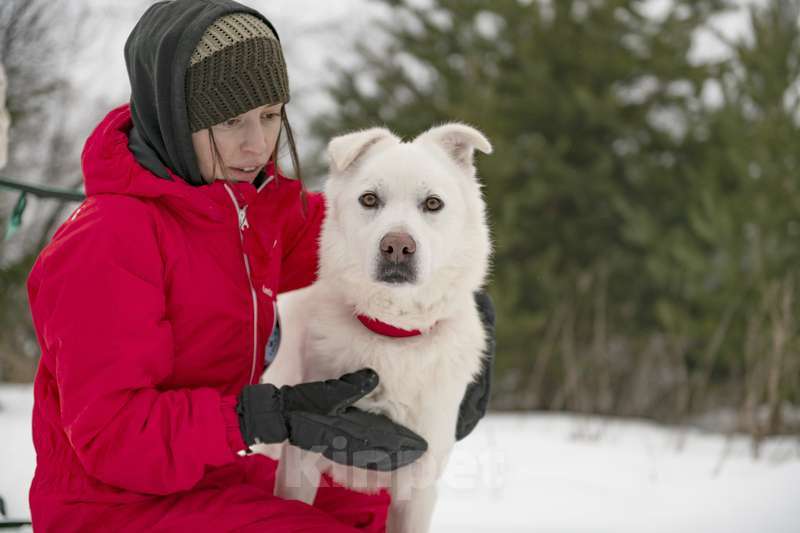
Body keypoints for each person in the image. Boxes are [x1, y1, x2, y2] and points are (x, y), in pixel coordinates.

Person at [26, 0, 495, 531]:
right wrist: (257, 416)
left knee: (368, 504)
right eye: (231, 121)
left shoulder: (255, 212)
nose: (257, 143)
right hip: (113, 507)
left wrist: (450, 313)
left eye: (271, 116)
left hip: (211, 475)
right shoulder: (106, 242)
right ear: (176, 120)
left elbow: (359, 236)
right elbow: (113, 437)